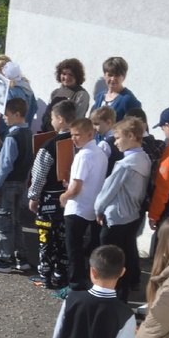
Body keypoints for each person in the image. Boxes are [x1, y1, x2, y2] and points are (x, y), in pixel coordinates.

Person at [94, 117, 151, 305]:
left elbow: (108, 190)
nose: (116, 141)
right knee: (125, 253)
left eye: (118, 137)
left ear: (132, 136)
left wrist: (98, 208)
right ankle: (123, 292)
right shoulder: (144, 158)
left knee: (109, 256)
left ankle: (108, 291)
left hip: (116, 216)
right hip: (132, 214)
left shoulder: (125, 164)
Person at [27, 100, 75, 291]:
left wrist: (33, 196)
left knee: (46, 239)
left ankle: (45, 275)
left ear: (61, 119)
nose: (51, 121)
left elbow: (38, 175)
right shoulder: (80, 142)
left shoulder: (48, 146)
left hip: (49, 200)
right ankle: (61, 274)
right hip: (69, 200)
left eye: (53, 117)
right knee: (63, 239)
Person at [0, 97, 34, 273]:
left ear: (17, 114)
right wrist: (0, 145)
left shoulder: (13, 136)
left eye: (7, 114)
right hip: (21, 183)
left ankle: (4, 259)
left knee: (4, 222)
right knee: (17, 222)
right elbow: (16, 158)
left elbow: (5, 165)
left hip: (8, 184)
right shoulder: (28, 134)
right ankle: (22, 257)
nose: (4, 117)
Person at [61, 117, 108, 291]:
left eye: (77, 135)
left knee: (73, 249)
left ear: (90, 134)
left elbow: (76, 187)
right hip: (93, 206)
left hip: (77, 207)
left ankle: (75, 283)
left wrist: (64, 197)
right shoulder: (101, 153)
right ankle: (90, 280)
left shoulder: (83, 155)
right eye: (72, 135)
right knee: (90, 247)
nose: (73, 139)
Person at [47, 58, 89, 123]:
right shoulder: (55, 93)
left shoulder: (81, 94)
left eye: (70, 75)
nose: (66, 77)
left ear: (77, 76)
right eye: (64, 74)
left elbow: (77, 118)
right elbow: (48, 114)